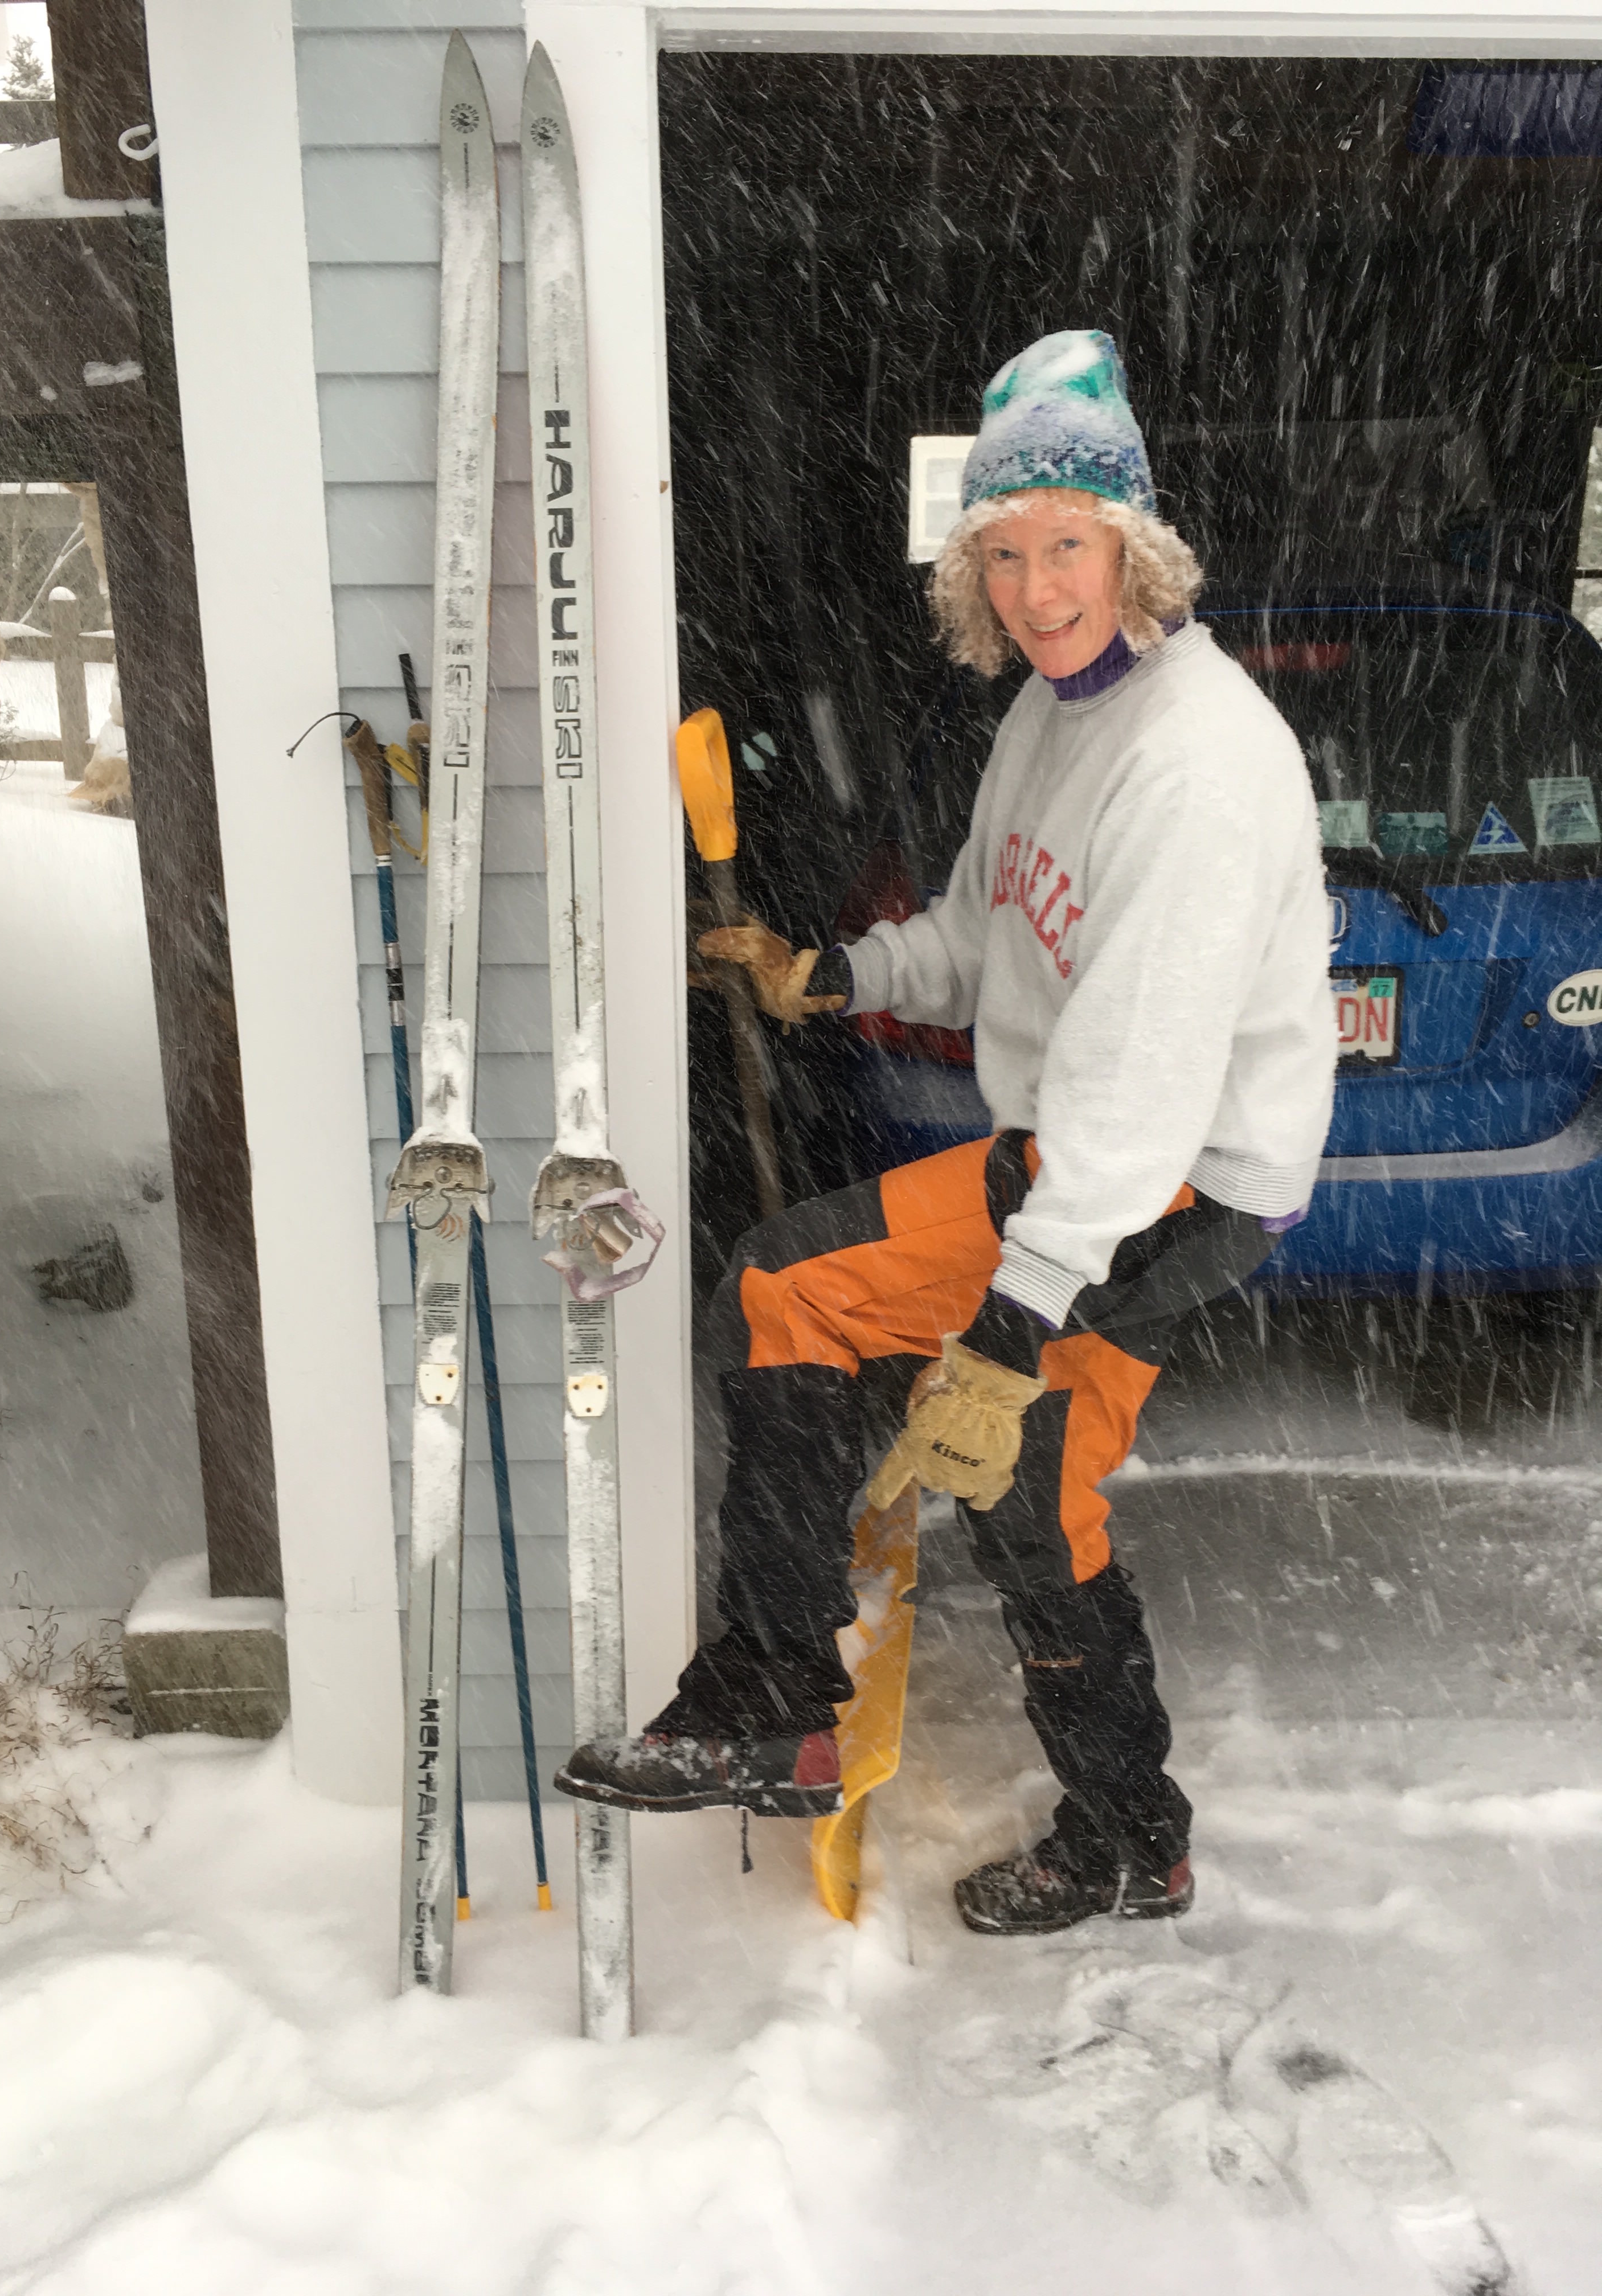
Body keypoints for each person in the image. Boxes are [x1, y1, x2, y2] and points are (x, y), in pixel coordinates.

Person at [555, 329, 1337, 1936]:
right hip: (1091, 1151)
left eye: (1069, 544)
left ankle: (816, 1709)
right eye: (1007, 550)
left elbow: (1137, 1084)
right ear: (973, 569)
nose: (1042, 585)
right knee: (954, 1424)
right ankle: (1076, 1815)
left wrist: (1006, 1321)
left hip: (1170, 1179)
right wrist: (837, 974)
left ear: (1133, 546)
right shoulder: (1052, 719)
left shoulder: (1196, 767)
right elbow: (988, 930)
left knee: (880, 1351)